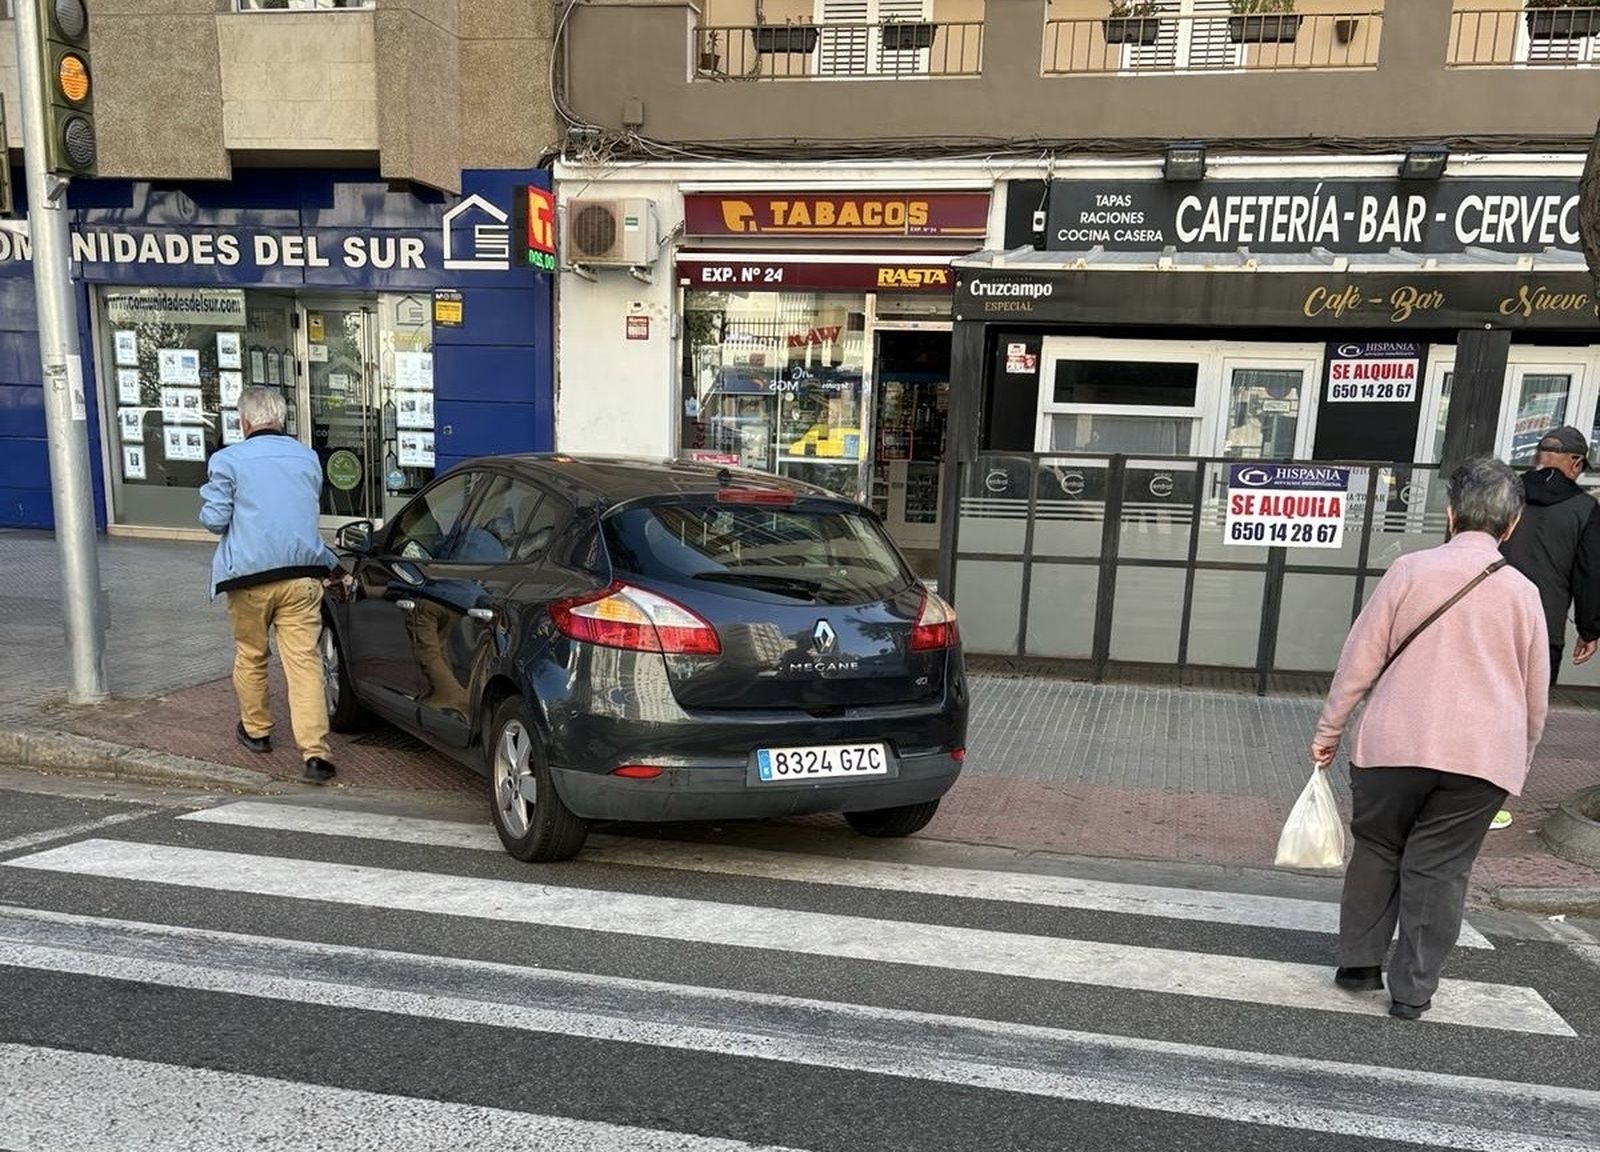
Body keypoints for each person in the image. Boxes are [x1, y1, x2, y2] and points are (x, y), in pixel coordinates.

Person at [1310, 456, 1549, 1021]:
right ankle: (1413, 992)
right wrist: (1521, 759)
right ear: (1511, 525)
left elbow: (1359, 662)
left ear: (1449, 514)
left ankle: (1360, 964)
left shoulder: (1409, 572)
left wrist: (1330, 730)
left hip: (1393, 746)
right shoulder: (1524, 593)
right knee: (1439, 868)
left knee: (1377, 849)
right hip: (1482, 760)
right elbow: (1535, 696)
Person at [200, 386, 343, 785]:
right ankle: (316, 754)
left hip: (249, 580)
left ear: (244, 422)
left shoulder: (228, 460)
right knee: (304, 663)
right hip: (301, 575)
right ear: (280, 420)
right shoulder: (307, 458)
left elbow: (214, 520)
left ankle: (257, 731)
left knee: (251, 654)